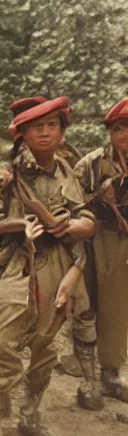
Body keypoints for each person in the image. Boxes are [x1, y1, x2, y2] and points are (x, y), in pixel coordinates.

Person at [0, 96, 96, 436]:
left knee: (45, 347)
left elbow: (87, 218)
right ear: (22, 133)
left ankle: (30, 414)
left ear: (62, 132)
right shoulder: (8, 175)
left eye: (52, 126)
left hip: (60, 264)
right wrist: (20, 224)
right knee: (5, 343)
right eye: (36, 127)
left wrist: (74, 226)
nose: (45, 133)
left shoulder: (67, 172)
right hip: (19, 262)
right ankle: (2, 417)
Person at [74, 97, 128, 404]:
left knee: (117, 309)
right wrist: (100, 192)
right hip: (93, 239)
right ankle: (88, 380)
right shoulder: (93, 163)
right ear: (109, 131)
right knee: (86, 305)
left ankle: (110, 375)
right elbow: (68, 201)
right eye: (118, 128)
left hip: (123, 243)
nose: (124, 134)